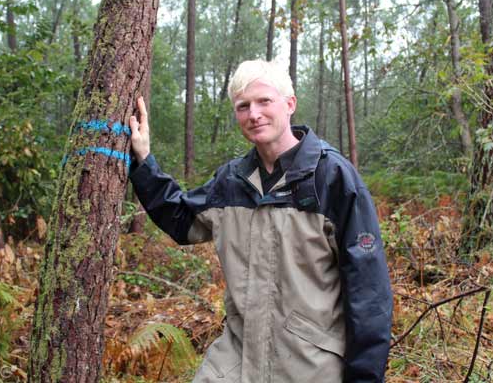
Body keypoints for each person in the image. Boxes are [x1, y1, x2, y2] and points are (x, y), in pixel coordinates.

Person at [128, 59, 393, 382]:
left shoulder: (332, 177)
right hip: (236, 360)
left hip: (311, 365)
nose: (254, 114)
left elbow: (369, 292)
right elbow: (181, 219)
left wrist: (364, 376)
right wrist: (143, 161)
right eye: (243, 106)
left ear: (290, 104)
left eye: (264, 101)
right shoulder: (232, 180)